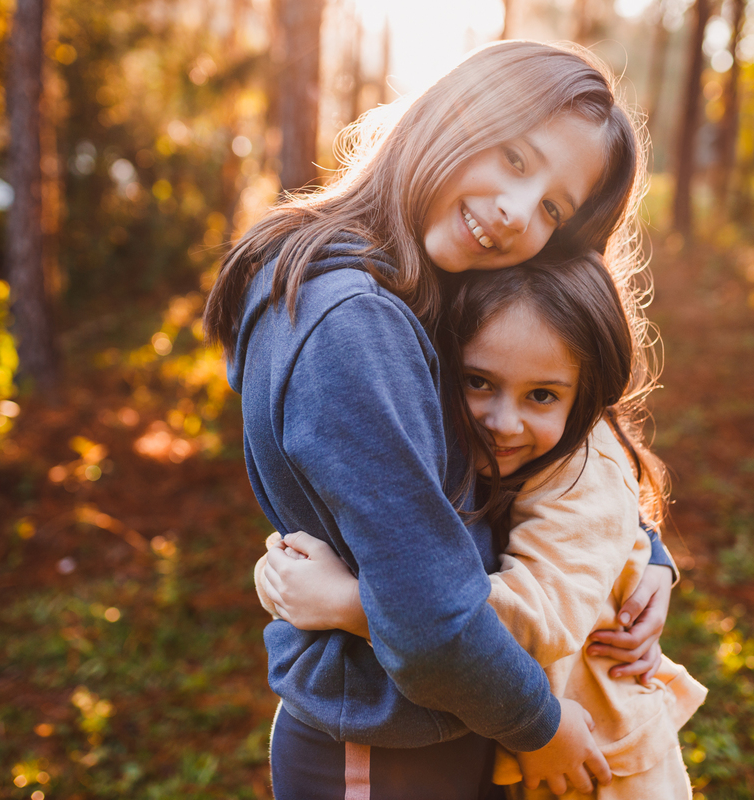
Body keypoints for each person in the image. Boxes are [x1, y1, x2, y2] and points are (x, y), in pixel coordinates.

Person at [203, 40, 674, 800]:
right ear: (453, 113)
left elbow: (526, 446)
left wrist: (642, 548)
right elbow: (430, 623)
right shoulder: (355, 325)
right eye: (516, 159)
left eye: (553, 207)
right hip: (386, 748)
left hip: (444, 727)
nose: (517, 213)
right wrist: (541, 726)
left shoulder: (414, 283)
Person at [260, 255, 707, 800]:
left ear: (585, 396)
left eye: (541, 395)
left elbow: (532, 620)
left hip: (596, 766)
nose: (504, 422)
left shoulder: (586, 474)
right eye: (478, 382)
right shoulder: (514, 455)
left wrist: (350, 604)